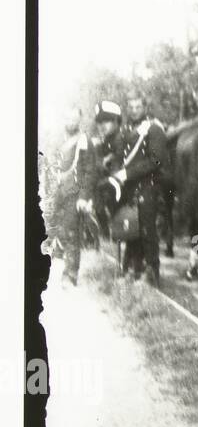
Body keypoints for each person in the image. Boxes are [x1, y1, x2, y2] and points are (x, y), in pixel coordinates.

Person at [100, 94, 171, 284]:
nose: (133, 110)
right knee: (132, 229)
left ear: (145, 108)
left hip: (148, 185)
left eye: (138, 107)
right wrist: (114, 170)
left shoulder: (154, 129)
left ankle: (152, 273)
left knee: (147, 230)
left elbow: (156, 160)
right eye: (130, 107)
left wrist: (127, 173)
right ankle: (134, 269)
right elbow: (119, 157)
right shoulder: (125, 131)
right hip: (129, 188)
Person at [49, 108, 96, 286]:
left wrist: (84, 196)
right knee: (56, 229)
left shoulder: (84, 141)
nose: (71, 122)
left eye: (74, 119)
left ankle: (70, 274)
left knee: (72, 233)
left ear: (79, 120)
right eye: (68, 117)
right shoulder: (59, 140)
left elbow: (90, 171)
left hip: (74, 194)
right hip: (59, 193)